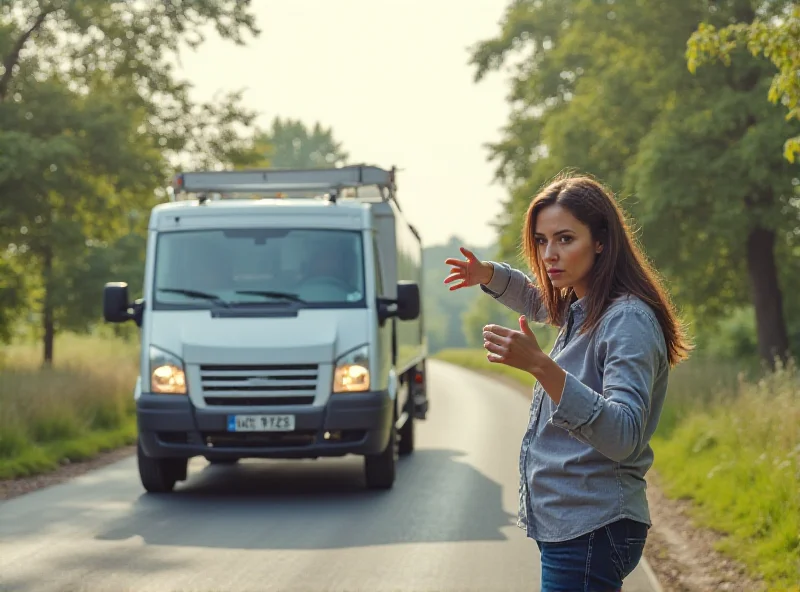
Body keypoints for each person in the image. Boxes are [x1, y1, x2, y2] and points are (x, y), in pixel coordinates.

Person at [444, 173, 691, 592]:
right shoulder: (585, 304)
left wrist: (542, 367)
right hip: (574, 525)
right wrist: (487, 274)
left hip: (593, 525)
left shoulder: (626, 319)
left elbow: (624, 433)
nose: (549, 255)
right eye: (541, 241)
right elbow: (538, 298)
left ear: (600, 240)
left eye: (564, 239)